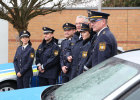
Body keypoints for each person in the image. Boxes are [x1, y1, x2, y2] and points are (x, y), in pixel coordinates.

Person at [66, 15, 89, 80]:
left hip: (83, 73)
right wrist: (68, 55)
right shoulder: (75, 36)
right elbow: (68, 49)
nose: (78, 25)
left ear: (86, 24)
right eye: (76, 23)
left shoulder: (89, 37)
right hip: (73, 72)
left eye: (80, 23)